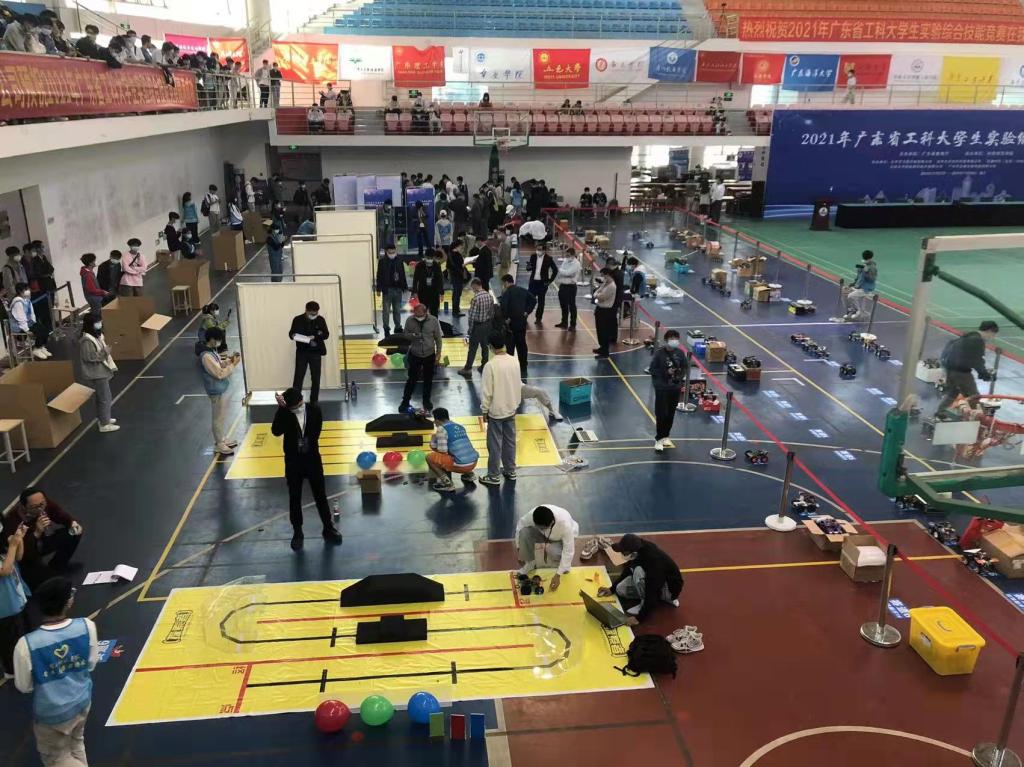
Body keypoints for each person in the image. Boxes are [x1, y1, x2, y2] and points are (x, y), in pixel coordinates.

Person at [14, 577, 98, 767]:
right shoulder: (87, 626)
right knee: (77, 743)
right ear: (67, 602)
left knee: (57, 758)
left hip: (52, 714)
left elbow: (24, 686)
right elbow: (91, 663)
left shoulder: (26, 645)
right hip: (82, 701)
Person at [271, 388, 342, 551]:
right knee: (294, 497)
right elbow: (276, 431)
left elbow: (316, 432)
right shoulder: (285, 412)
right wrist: (281, 410)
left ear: (301, 401)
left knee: (320, 494)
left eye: (294, 407)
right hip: (293, 460)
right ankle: (297, 532)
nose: (293, 410)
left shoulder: (314, 410)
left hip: (312, 459)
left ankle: (328, 527)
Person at [3, 489, 84, 589]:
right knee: (50, 582)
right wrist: (36, 533)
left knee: (74, 533)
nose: (40, 509)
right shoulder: (12, 520)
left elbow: (58, 513)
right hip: (28, 554)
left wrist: (72, 522)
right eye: (34, 507)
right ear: (24, 507)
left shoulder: (44, 504)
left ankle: (57, 565)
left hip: (43, 541)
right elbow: (23, 554)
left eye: (42, 504)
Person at [597, 534, 682, 624]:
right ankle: (651, 600)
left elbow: (651, 589)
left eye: (624, 553)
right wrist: (612, 589)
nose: (622, 554)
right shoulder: (638, 548)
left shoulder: (654, 562)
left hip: (669, 590)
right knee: (620, 589)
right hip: (655, 581)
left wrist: (639, 618)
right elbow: (628, 569)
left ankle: (646, 603)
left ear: (633, 553)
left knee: (638, 571)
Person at [479, 331, 522, 486]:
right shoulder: (514, 361)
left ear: (490, 346)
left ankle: (493, 475)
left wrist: (484, 410)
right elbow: (518, 384)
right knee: (510, 441)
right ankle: (510, 471)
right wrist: (515, 403)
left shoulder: (490, 365)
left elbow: (487, 391)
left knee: (494, 444)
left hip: (496, 411)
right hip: (511, 408)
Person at [935, 321, 1000, 417]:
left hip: (949, 369)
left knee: (953, 392)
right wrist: (985, 375)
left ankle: (940, 412)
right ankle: (978, 418)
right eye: (993, 335)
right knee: (974, 396)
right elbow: (978, 361)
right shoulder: (978, 341)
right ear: (989, 331)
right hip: (961, 373)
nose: (992, 338)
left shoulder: (966, 337)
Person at [197, 327, 240, 456]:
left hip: (219, 389)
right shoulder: (206, 356)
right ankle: (219, 444)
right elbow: (219, 373)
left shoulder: (211, 352)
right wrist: (233, 365)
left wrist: (229, 360)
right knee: (217, 418)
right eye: (218, 339)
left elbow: (219, 364)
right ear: (211, 339)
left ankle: (222, 439)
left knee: (221, 416)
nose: (219, 342)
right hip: (214, 390)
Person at [514, 505, 578, 591]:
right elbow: (520, 527)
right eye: (539, 527)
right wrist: (519, 548)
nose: (541, 529)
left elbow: (568, 551)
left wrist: (558, 575)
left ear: (552, 523)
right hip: (545, 535)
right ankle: (530, 563)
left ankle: (563, 567)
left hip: (560, 539)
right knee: (525, 532)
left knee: (553, 551)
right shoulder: (532, 515)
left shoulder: (565, 525)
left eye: (543, 528)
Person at [79, 313, 118, 433]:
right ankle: (104, 424)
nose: (100, 324)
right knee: (105, 398)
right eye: (97, 322)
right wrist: (105, 352)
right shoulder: (87, 340)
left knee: (103, 397)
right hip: (96, 373)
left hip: (100, 371)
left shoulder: (96, 336)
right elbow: (89, 357)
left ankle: (104, 418)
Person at [400, 303, 443, 413]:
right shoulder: (410, 320)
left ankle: (426, 401)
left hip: (429, 354)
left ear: (425, 312)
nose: (417, 317)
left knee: (428, 380)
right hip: (415, 354)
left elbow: (438, 338)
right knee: (411, 379)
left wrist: (438, 353)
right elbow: (405, 335)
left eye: (420, 315)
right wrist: (413, 336)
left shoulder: (433, 320)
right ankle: (405, 401)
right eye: (416, 314)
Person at [650, 329, 688, 452]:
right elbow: (652, 370)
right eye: (672, 339)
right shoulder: (659, 354)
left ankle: (666, 435)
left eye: (676, 339)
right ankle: (659, 439)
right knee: (661, 413)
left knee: (671, 413)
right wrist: (666, 372)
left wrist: (679, 377)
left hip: (675, 388)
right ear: (666, 340)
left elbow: (684, 366)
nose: (674, 341)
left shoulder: (680, 353)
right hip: (662, 388)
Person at [0, 522, 29, 680]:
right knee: (8, 640)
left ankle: (23, 663)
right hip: (4, 605)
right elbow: (4, 570)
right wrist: (12, 545)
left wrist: (19, 539)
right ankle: (11, 671)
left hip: (15, 596)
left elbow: (17, 557)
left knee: (20, 633)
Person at [426, 407, 479, 492]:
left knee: (430, 457)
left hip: (461, 466)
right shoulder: (460, 426)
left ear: (437, 420)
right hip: (474, 462)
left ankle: (447, 484)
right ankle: (469, 474)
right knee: (459, 451)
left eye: (434, 421)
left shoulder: (441, 429)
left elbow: (442, 451)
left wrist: (432, 442)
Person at [289, 301, 330, 404]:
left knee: (316, 378)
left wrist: (315, 336)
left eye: (316, 313)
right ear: (306, 311)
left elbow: (326, 334)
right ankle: (295, 401)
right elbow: (291, 333)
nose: (314, 315)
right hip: (302, 352)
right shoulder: (297, 319)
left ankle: (314, 400)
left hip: (315, 352)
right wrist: (293, 335)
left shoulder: (320, 320)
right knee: (298, 377)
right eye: (312, 314)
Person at [498, 273, 536, 378]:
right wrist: (527, 311)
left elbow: (504, 307)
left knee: (510, 346)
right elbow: (533, 300)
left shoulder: (507, 293)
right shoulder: (523, 290)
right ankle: (523, 366)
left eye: (503, 284)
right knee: (522, 345)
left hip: (511, 324)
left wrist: (506, 319)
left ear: (506, 282)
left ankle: (510, 367)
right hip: (521, 322)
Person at [459, 278, 495, 378]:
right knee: (485, 346)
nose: (472, 289)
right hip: (487, 325)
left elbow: (472, 316)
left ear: (475, 285)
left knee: (473, 348)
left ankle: (467, 369)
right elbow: (492, 312)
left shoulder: (476, 299)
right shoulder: (489, 296)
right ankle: (484, 366)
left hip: (477, 327)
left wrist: (470, 329)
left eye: (472, 287)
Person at [9, 282, 50, 360]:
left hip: (29, 323)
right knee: (40, 332)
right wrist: (27, 330)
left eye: (28, 289)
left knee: (45, 330)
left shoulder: (27, 300)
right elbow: (21, 318)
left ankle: (41, 347)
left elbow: (32, 313)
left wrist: (34, 322)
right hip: (19, 327)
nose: (28, 290)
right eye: (26, 289)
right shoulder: (17, 303)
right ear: (20, 291)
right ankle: (36, 349)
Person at [376, 245, 408, 337]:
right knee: (386, 310)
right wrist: (378, 288)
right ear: (386, 252)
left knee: (397, 310)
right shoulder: (382, 262)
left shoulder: (399, 260)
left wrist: (404, 286)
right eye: (390, 252)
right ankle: (386, 328)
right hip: (387, 289)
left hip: (398, 289)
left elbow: (402, 274)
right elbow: (379, 275)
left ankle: (398, 327)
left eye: (393, 252)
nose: (392, 254)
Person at [840, 250, 878, 322]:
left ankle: (859, 312)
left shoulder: (872, 267)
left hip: (866, 288)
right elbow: (858, 278)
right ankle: (851, 311)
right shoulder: (862, 266)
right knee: (844, 291)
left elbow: (872, 279)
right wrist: (852, 284)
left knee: (851, 296)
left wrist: (866, 272)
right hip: (858, 286)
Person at [526, 246, 557, 327]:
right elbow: (529, 269)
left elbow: (555, 270)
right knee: (529, 299)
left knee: (541, 302)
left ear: (544, 250)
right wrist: (528, 266)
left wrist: (550, 281)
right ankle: (525, 315)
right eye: (537, 249)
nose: (538, 251)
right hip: (533, 282)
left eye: (540, 249)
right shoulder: (533, 256)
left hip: (542, 284)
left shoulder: (549, 259)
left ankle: (538, 318)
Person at [411, 249, 444, 318]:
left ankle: (434, 323)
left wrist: (441, 293)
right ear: (425, 257)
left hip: (434, 292)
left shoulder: (436, 266)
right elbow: (415, 279)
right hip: (423, 291)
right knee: (422, 311)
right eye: (428, 258)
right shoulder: (420, 265)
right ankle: (423, 323)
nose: (429, 259)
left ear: (434, 257)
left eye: (431, 258)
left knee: (434, 311)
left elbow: (440, 280)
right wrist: (414, 292)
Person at [593, 267, 617, 359]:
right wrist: (596, 294)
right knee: (599, 330)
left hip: (606, 311)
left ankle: (605, 352)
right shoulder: (605, 283)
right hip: (600, 309)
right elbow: (597, 291)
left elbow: (601, 297)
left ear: (607, 275)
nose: (602, 277)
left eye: (603, 275)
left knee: (604, 332)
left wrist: (596, 295)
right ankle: (602, 347)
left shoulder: (611, 286)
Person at [554, 249, 580, 331]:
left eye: (568, 255)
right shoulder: (565, 261)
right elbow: (563, 272)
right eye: (566, 255)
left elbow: (568, 273)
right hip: (562, 286)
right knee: (563, 305)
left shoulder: (576, 263)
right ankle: (564, 322)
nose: (566, 256)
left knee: (572, 306)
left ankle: (573, 324)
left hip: (571, 287)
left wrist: (562, 271)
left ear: (573, 255)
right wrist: (564, 272)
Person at [448, 238, 466, 318]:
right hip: (457, 276)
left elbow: (448, 266)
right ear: (457, 246)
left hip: (454, 276)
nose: (462, 248)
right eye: (461, 246)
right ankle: (455, 311)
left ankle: (456, 309)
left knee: (456, 293)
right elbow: (457, 266)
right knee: (457, 294)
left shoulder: (451, 254)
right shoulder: (456, 255)